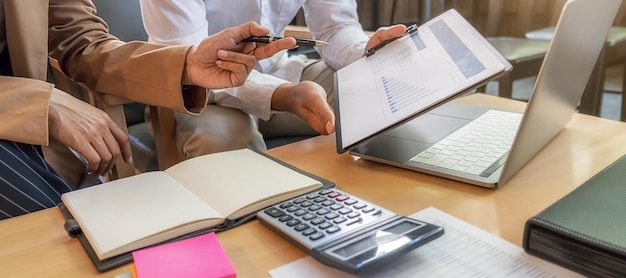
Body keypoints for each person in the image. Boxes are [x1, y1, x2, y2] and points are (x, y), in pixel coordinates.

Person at [0, 0, 295, 220]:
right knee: (56, 239)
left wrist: (187, 63)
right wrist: (40, 102)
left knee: (80, 235)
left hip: (29, 140)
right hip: (19, 134)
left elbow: (81, 43)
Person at [139, 0, 407, 158]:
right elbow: (190, 63)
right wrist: (284, 94)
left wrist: (367, 52)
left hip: (278, 71)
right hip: (199, 96)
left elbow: (335, 27)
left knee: (381, 89)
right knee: (227, 144)